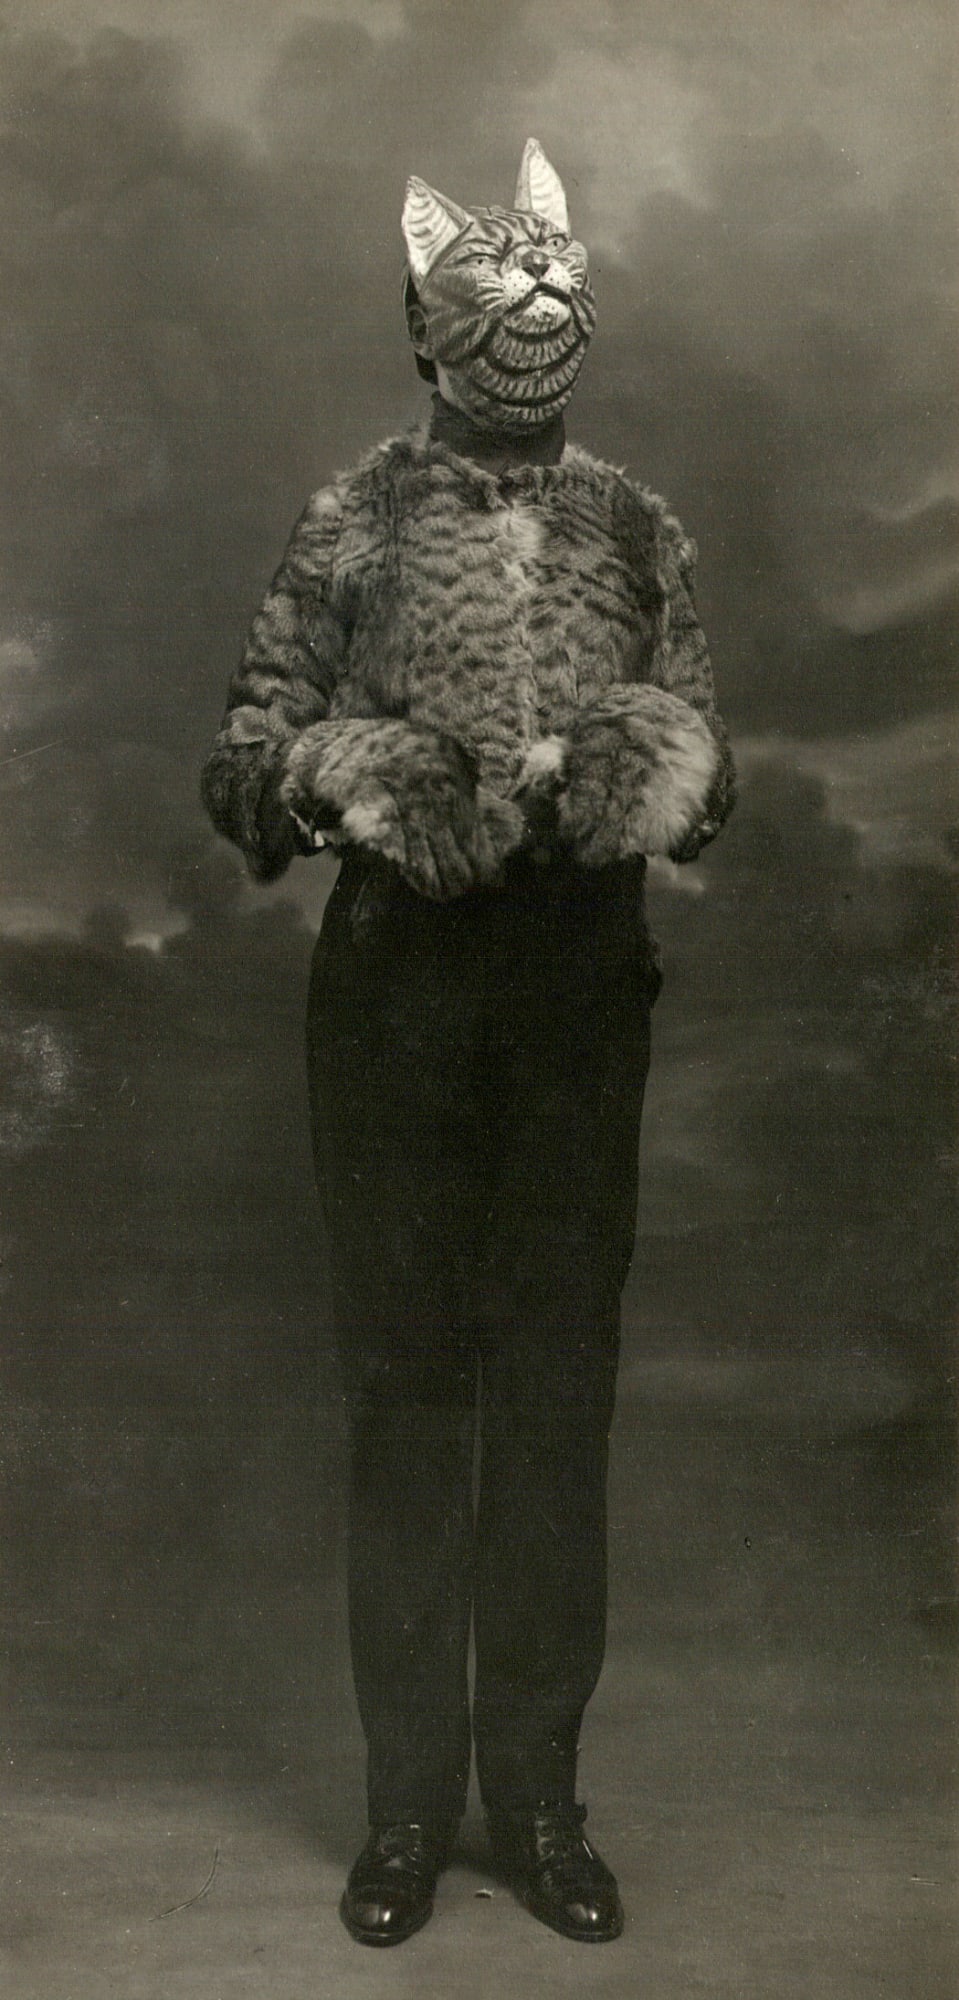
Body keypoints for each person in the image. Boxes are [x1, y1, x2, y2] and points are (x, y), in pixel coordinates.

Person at [201, 140, 734, 1947]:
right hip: (398, 1007)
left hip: (580, 1000)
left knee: (559, 1408)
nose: (537, 320)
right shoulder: (349, 519)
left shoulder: (641, 527)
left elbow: (713, 777)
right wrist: (350, 777)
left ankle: (545, 1805)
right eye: (499, 298)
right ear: (428, 330)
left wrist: (644, 764)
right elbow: (242, 758)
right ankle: (406, 1814)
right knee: (411, 1405)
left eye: (558, 290)